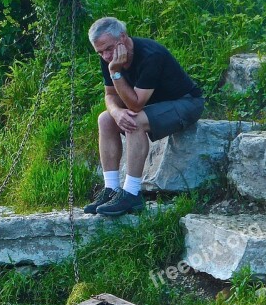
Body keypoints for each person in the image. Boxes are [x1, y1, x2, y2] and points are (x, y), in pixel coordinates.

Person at [84, 17, 204, 216]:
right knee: (105, 119)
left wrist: (115, 72)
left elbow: (136, 104)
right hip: (155, 105)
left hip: (187, 103)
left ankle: (132, 194)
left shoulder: (150, 55)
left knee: (134, 122)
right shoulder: (110, 55)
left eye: (108, 49)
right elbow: (110, 95)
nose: (105, 56)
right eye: (100, 52)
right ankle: (111, 189)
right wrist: (115, 112)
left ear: (123, 37)